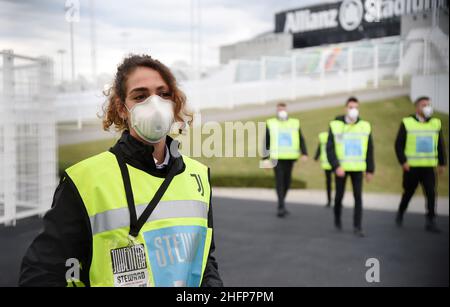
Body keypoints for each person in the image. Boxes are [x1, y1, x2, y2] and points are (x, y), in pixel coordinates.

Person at [19, 54, 223, 287]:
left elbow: (205, 263)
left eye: (164, 94)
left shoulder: (197, 175)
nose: (155, 103)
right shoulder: (85, 180)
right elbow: (43, 273)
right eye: (141, 96)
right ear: (122, 108)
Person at [395, 96, 447, 233]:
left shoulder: (436, 123)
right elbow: (398, 144)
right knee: (409, 192)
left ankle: (431, 221)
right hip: (411, 167)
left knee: (431, 193)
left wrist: (442, 163)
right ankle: (400, 212)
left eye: (429, 104)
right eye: (424, 105)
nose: (427, 107)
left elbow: (440, 145)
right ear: (417, 108)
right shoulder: (407, 122)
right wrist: (403, 161)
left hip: (429, 167)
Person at [326, 97, 375, 237]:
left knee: (358, 197)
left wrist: (370, 170)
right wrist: (336, 166)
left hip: (358, 169)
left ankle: (357, 226)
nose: (353, 110)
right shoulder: (335, 125)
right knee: (338, 197)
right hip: (341, 169)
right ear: (345, 108)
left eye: (356, 107)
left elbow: (370, 149)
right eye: (350, 107)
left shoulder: (365, 126)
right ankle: (337, 219)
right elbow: (330, 148)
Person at [263, 102, 308, 218]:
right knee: (279, 181)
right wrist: (264, 159)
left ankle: (282, 203)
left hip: (290, 158)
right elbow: (266, 142)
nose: (281, 111)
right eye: (279, 109)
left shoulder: (294, 123)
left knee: (287, 182)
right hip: (276, 158)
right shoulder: (271, 123)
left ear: (286, 110)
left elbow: (300, 138)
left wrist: (304, 153)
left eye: (283, 109)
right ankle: (281, 206)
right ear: (276, 111)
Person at [314, 131, 333, 208]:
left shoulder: (324, 137)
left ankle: (330, 201)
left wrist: (316, 157)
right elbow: (320, 148)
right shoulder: (325, 136)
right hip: (333, 163)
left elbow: (319, 148)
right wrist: (316, 156)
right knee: (330, 183)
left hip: (329, 163)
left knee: (329, 183)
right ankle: (330, 200)